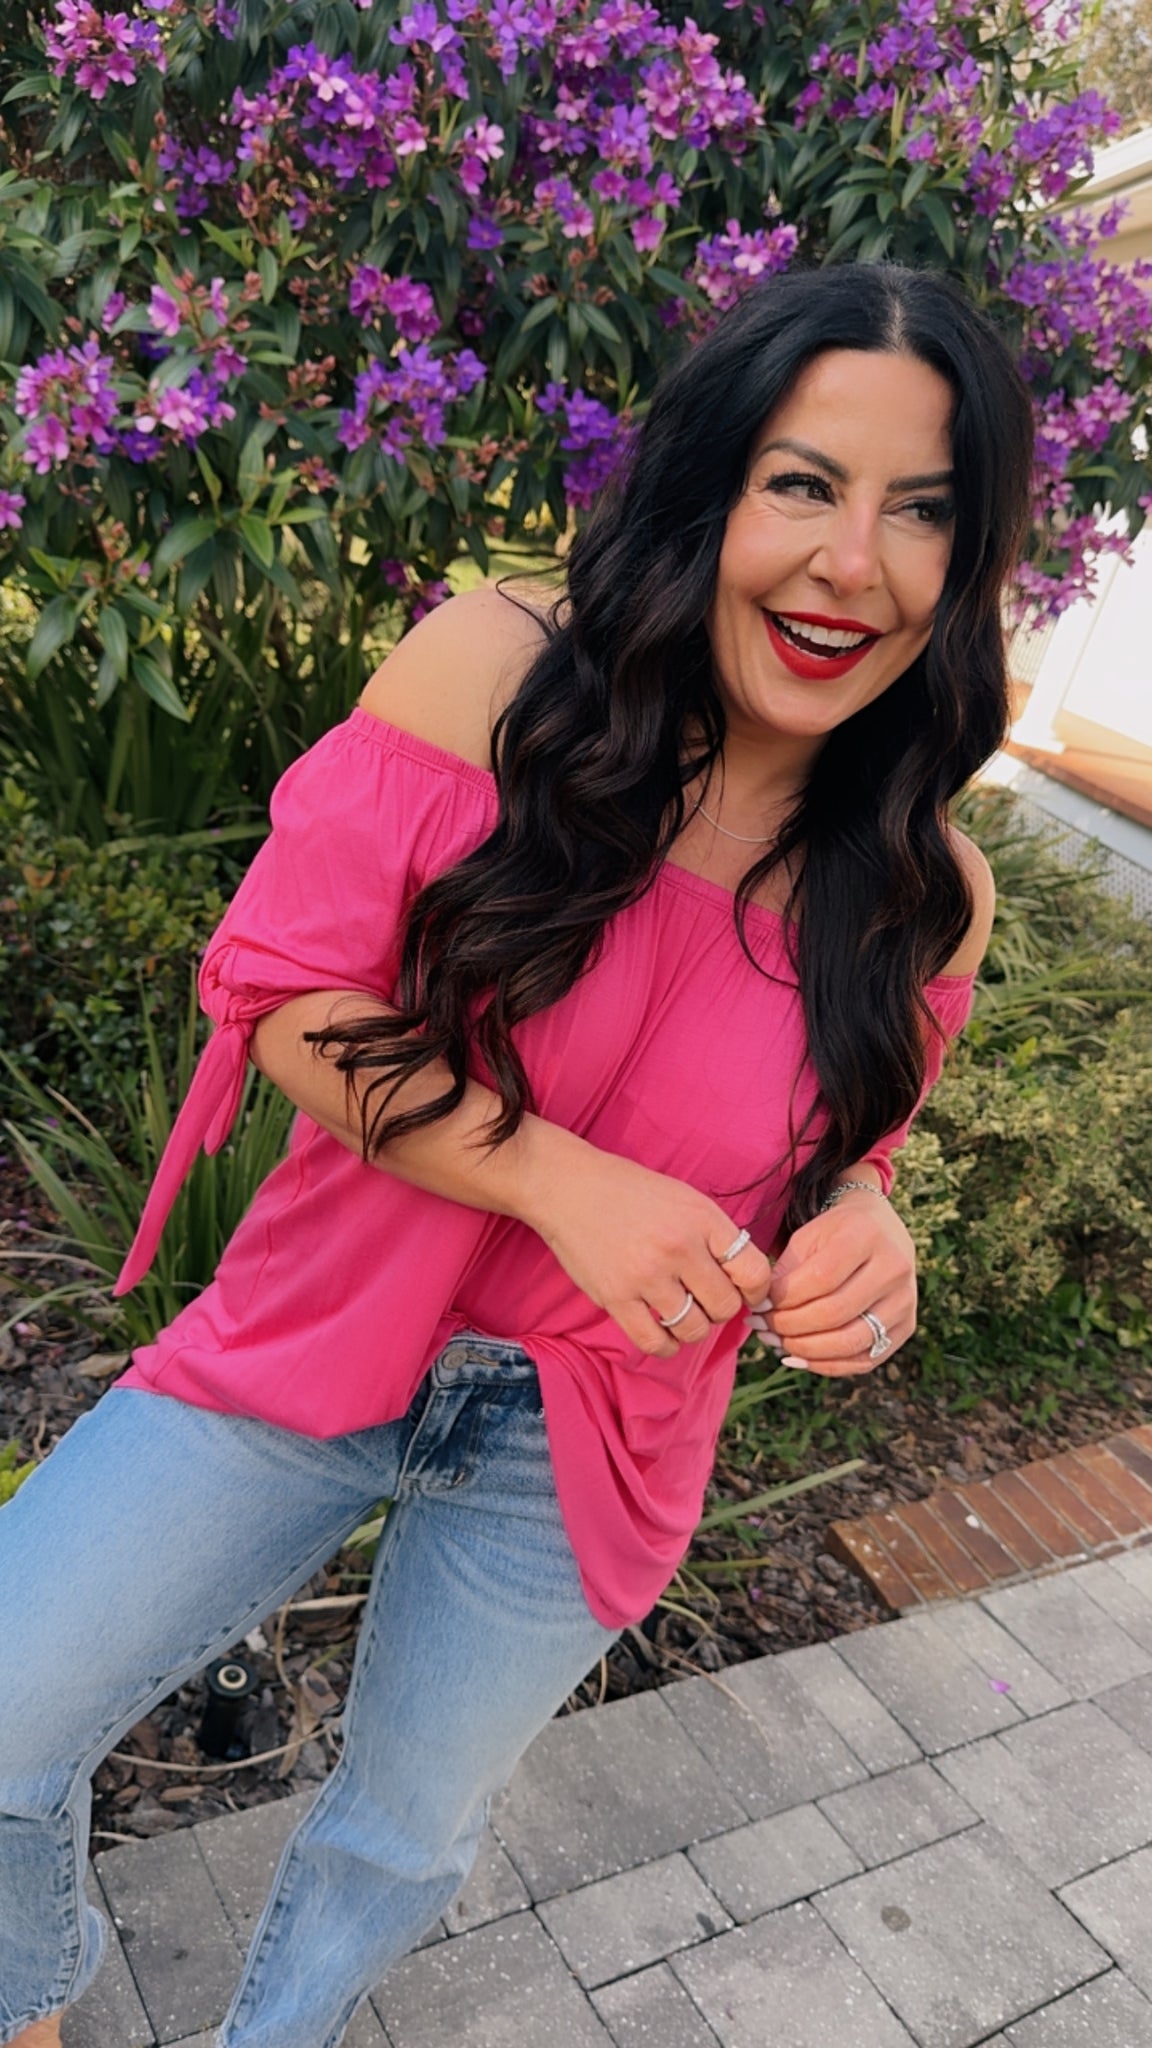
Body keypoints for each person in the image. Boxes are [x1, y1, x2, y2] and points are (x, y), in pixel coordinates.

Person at [0, 260, 1032, 2048]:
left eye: (923, 511)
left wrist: (867, 1225)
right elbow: (284, 992)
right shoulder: (498, 671)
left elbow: (844, 1148)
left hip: (587, 1442)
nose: (851, 563)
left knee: (401, 1842)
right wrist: (556, 1178)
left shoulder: (932, 891)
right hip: (317, 1336)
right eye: (802, 484)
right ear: (711, 485)